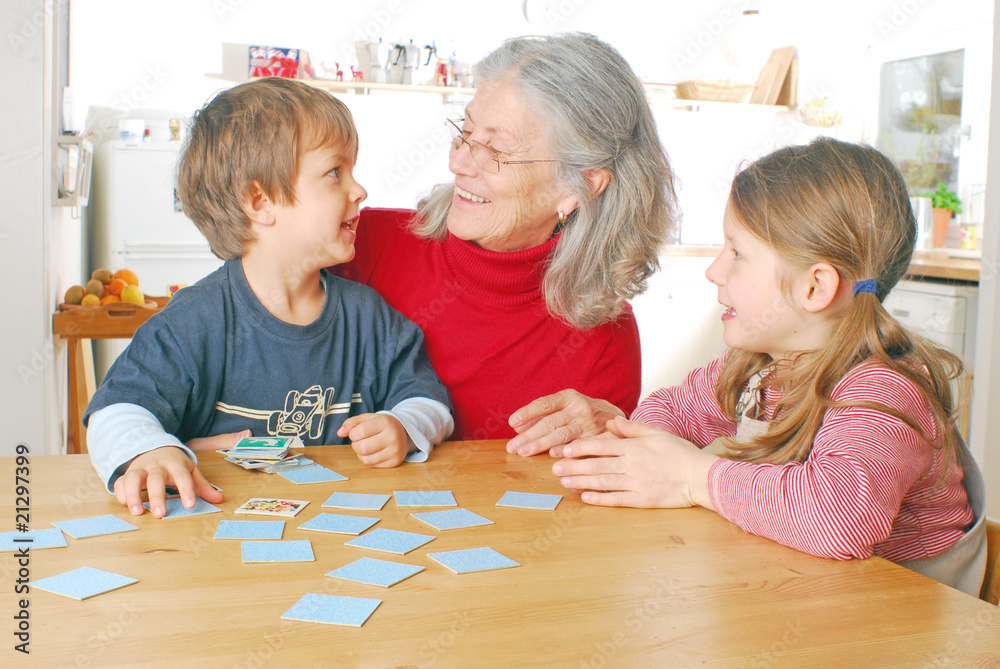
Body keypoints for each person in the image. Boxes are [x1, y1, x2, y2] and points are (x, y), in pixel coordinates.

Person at [550, 137, 986, 595]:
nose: (714, 271)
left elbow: (837, 519)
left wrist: (692, 476)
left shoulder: (882, 392)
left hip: (909, 632)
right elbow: (670, 411)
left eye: (737, 253)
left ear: (814, 287)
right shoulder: (759, 369)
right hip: (809, 603)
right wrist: (648, 450)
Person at [85, 77, 453, 518]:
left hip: (341, 531)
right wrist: (149, 452)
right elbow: (116, 410)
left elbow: (430, 400)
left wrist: (405, 425)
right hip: (218, 541)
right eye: (335, 172)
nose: (359, 190)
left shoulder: (367, 316)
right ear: (259, 201)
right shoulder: (194, 321)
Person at [336, 32, 677, 443]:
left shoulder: (603, 338)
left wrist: (614, 437)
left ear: (580, 187)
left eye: (496, 150)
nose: (458, 160)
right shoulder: (357, 243)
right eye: (465, 131)